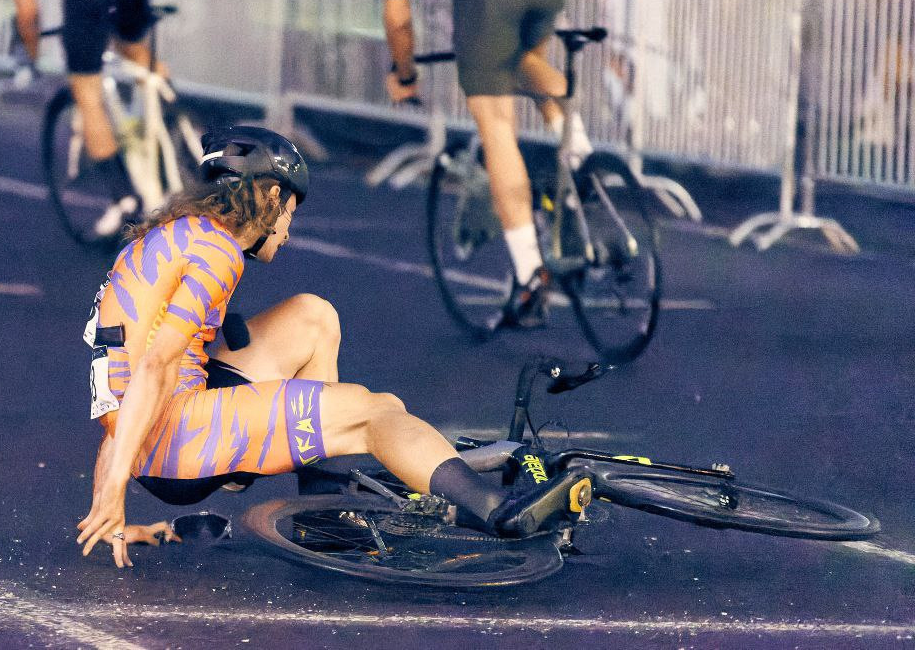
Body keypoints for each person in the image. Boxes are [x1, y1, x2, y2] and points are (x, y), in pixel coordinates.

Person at [75, 125, 593, 567]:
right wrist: (117, 487)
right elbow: (156, 367)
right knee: (376, 412)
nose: (288, 230)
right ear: (271, 197)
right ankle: (498, 507)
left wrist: (109, 489)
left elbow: (117, 381)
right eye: (291, 214)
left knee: (313, 316)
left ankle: (321, 514)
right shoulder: (217, 254)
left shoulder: (180, 235)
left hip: (144, 439)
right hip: (175, 441)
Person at [373, 0, 593, 328]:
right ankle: (576, 144)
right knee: (524, 60)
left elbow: (398, 15)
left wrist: (403, 72)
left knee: (495, 124)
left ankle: (530, 274)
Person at [0, 0, 155, 237]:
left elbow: (27, 11)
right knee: (134, 47)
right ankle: (174, 117)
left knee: (87, 93)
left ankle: (123, 197)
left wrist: (30, 52)